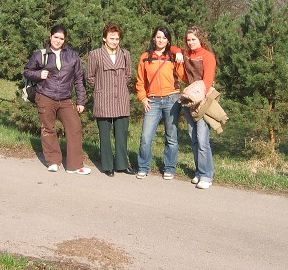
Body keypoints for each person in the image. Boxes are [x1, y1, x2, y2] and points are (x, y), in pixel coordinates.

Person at [24, 25, 91, 175]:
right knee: (48, 128)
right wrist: (39, 74)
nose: (58, 41)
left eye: (61, 38)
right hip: (45, 96)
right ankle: (53, 161)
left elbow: (79, 79)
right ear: (50, 36)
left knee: (75, 127)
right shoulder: (40, 55)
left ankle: (74, 165)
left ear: (65, 39)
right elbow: (27, 71)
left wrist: (81, 101)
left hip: (65, 99)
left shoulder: (72, 56)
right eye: (56, 37)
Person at [85, 23, 136, 177]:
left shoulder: (125, 54)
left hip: (121, 98)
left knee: (121, 134)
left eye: (117, 38)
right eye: (112, 38)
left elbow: (128, 75)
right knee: (105, 135)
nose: (115, 41)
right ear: (104, 38)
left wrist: (118, 87)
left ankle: (122, 164)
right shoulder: (95, 54)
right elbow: (89, 77)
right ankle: (107, 165)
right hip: (103, 99)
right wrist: (102, 87)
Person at [135, 26, 184, 180]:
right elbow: (140, 81)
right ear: (153, 38)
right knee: (146, 137)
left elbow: (183, 76)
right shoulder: (145, 57)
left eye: (164, 37)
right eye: (158, 37)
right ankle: (143, 166)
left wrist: (179, 54)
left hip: (171, 99)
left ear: (168, 40)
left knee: (171, 137)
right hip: (153, 101)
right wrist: (143, 98)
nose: (161, 40)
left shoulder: (173, 56)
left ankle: (169, 168)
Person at [182, 26, 218, 189]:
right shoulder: (186, 55)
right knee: (193, 137)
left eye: (193, 39)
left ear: (200, 39)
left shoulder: (207, 56)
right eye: (188, 40)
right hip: (189, 100)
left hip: (203, 100)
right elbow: (173, 49)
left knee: (203, 139)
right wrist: (176, 52)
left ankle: (207, 175)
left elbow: (208, 80)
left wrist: (201, 99)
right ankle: (199, 171)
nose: (190, 43)